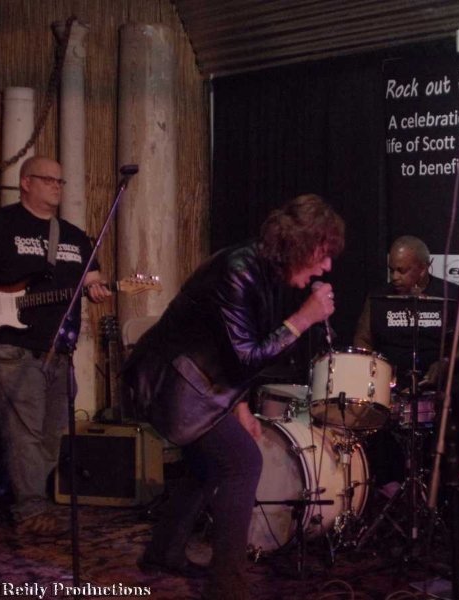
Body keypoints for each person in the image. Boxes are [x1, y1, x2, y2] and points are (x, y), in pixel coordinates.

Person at [122, 194, 343, 600]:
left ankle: (163, 552)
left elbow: (230, 347)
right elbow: (244, 356)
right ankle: (227, 588)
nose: (327, 266)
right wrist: (303, 319)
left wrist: (238, 404)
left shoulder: (264, 269)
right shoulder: (238, 270)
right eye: (322, 253)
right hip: (171, 383)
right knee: (242, 462)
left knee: (207, 465)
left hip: (200, 382)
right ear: (299, 243)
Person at [0, 156, 112, 536]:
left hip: (59, 348)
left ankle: (29, 497)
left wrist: (99, 289)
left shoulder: (74, 236)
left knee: (53, 433)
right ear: (26, 182)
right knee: (24, 432)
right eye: (48, 180)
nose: (57, 186)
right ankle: (30, 510)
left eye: (60, 181)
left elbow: (93, 279)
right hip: (12, 346)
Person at [354, 236, 459, 488]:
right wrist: (377, 369)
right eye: (391, 270)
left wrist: (447, 362)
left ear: (423, 268)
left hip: (438, 375)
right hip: (392, 379)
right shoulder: (378, 297)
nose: (395, 277)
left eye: (402, 270)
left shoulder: (451, 295)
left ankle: (445, 482)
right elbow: (362, 339)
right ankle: (385, 482)